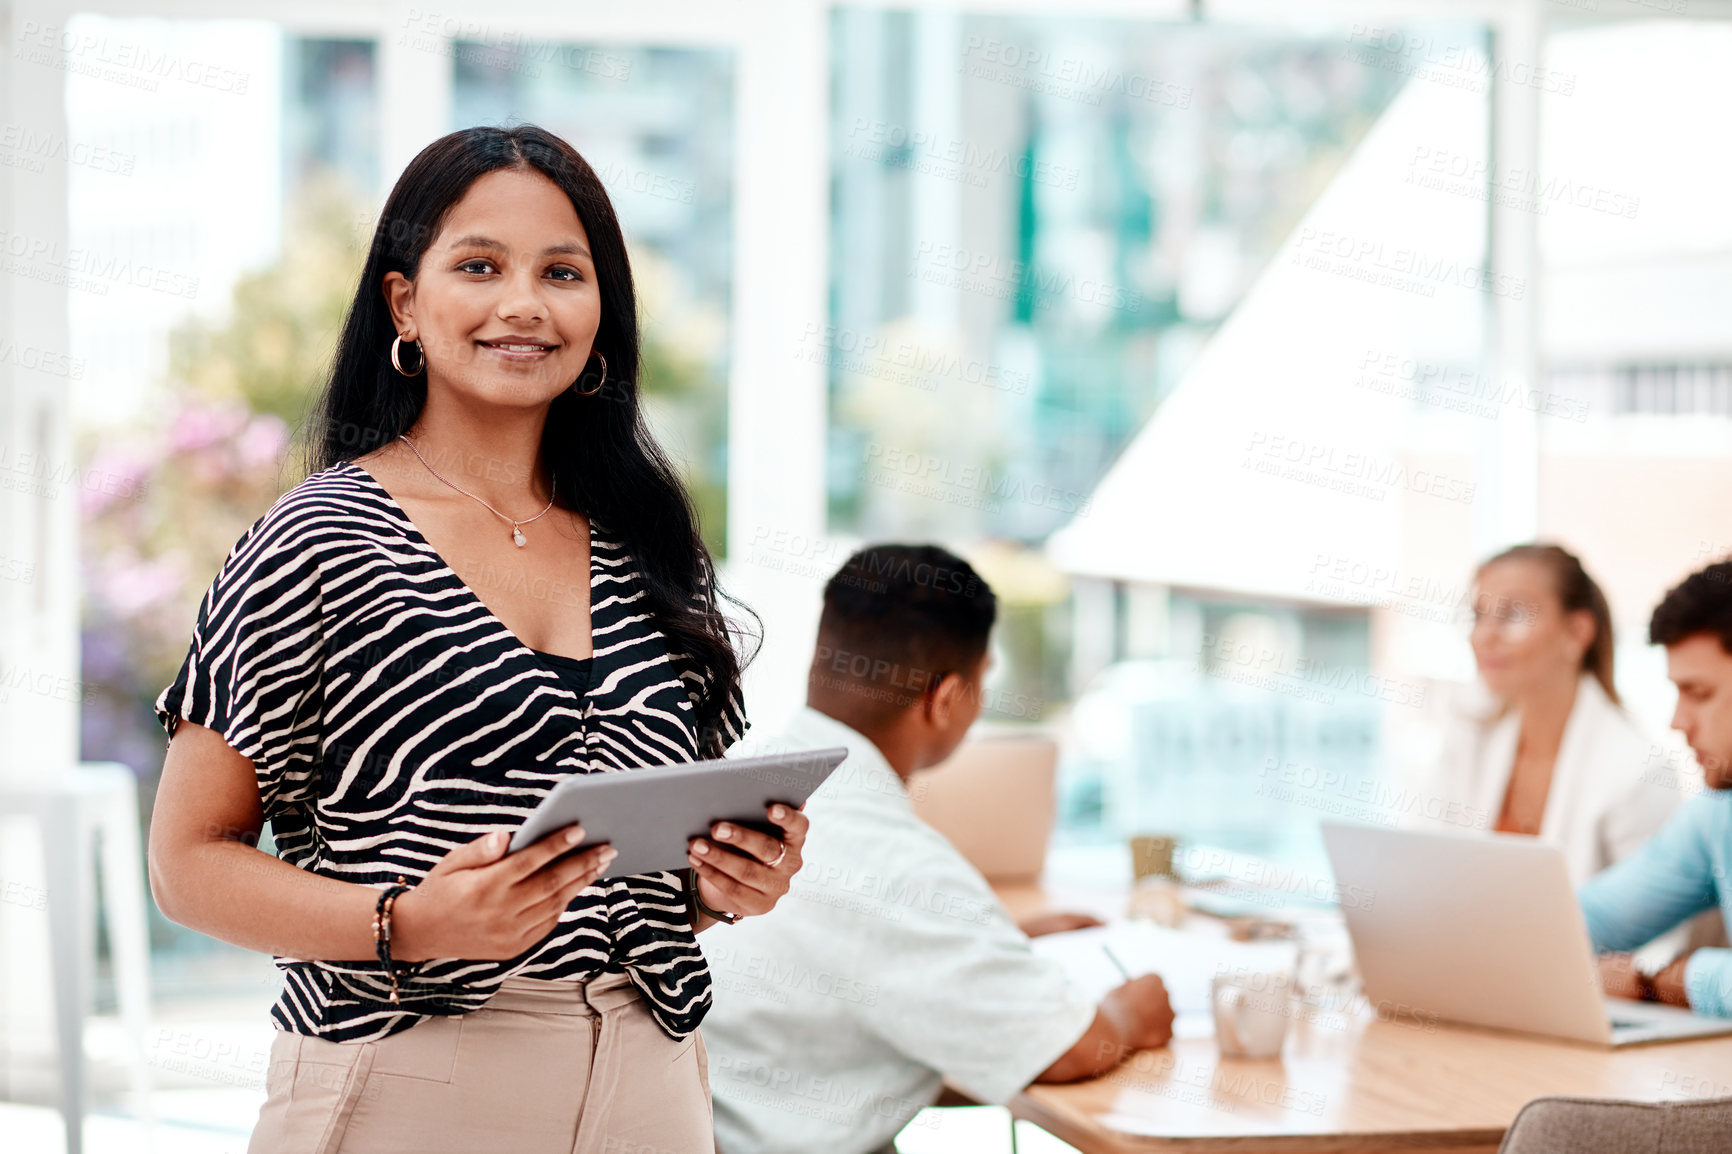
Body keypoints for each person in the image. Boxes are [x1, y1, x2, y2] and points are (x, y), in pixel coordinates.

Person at [147, 124, 808, 1154]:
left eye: (562, 271)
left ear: (601, 310)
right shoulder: (318, 538)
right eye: (479, 266)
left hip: (653, 1074)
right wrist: (404, 921)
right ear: (404, 301)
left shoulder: (646, 545)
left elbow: (653, 865)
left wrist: (726, 883)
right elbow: (186, 862)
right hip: (410, 1072)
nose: (523, 305)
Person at [698, 544, 1175, 1154]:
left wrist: (999, 940)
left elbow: (854, 944)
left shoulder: (743, 785)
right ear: (947, 698)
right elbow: (1069, 1048)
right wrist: (1132, 1013)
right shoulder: (899, 862)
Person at [1403, 543, 1678, 884]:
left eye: (1513, 615)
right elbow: (1422, 869)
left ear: (1576, 633)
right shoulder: (1469, 737)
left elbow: (1656, 932)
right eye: (1478, 616)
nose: (1485, 636)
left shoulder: (1639, 772)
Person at [1584, 560, 1732, 1015]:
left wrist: (1656, 980)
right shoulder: (1715, 815)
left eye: (1700, 694)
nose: (1677, 722)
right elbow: (1588, 919)